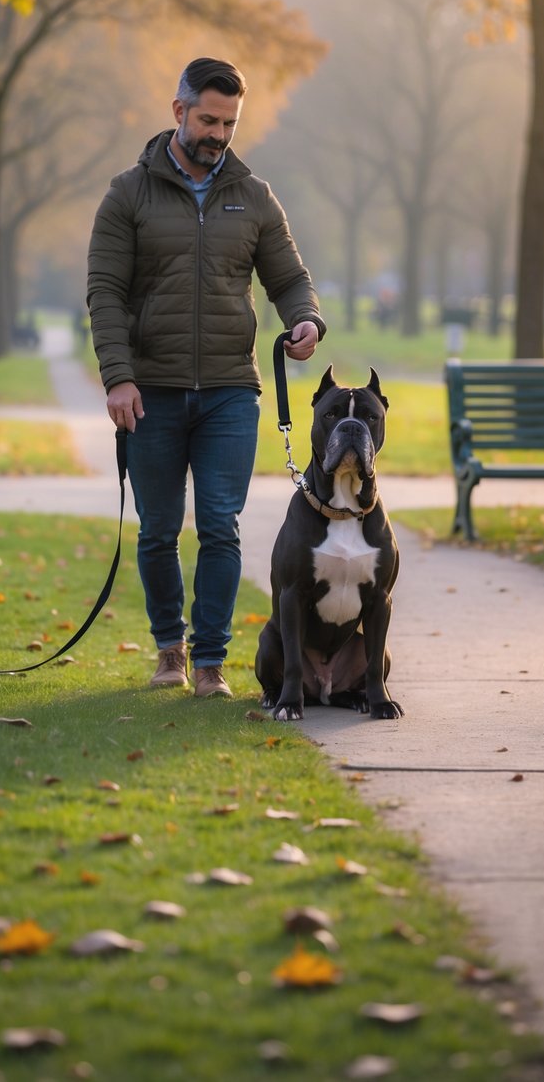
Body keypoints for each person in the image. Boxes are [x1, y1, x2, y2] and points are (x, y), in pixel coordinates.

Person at [87, 57, 325, 698]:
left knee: (221, 524)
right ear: (179, 111)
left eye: (230, 123)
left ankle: (212, 663)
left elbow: (290, 280)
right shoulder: (127, 194)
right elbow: (105, 293)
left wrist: (305, 320)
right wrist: (118, 377)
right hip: (152, 392)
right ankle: (170, 651)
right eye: (209, 119)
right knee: (159, 528)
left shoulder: (254, 196)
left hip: (229, 391)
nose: (219, 134)